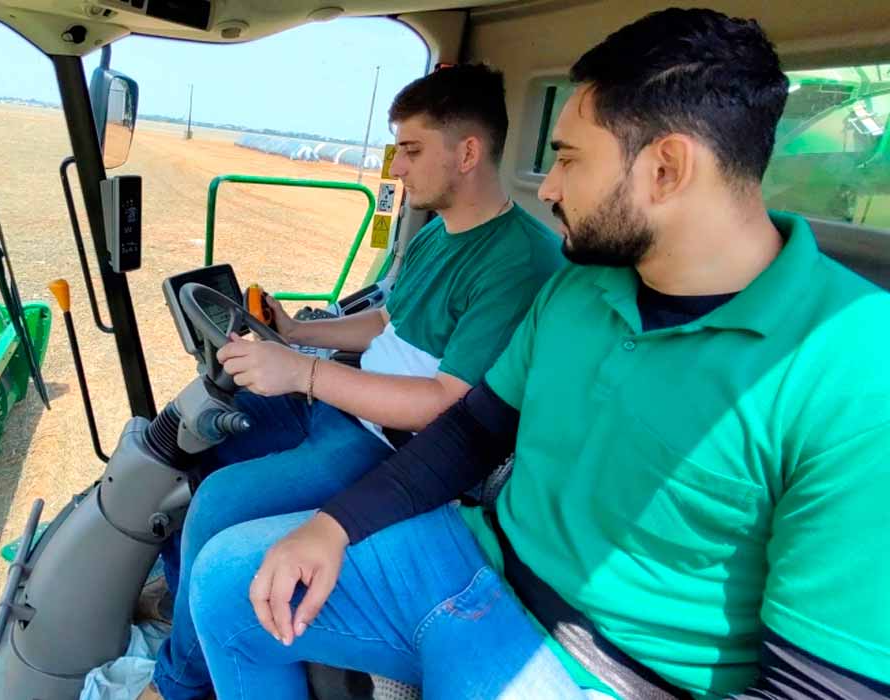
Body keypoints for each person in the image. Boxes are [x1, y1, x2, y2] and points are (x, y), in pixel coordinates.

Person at [188, 8, 890, 699]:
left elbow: (821, 685)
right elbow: (472, 430)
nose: (548, 188)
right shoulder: (580, 290)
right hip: (472, 555)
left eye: (568, 159)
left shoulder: (858, 368)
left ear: (667, 169)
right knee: (227, 582)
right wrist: (334, 525)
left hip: (607, 665)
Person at [150, 64, 565, 700]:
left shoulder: (520, 260)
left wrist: (304, 373)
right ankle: (182, 607)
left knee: (221, 503)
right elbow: (388, 325)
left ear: (468, 153)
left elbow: (446, 409)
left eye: (412, 149)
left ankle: (179, 682)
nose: (396, 168)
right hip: (344, 402)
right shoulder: (436, 236)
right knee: (199, 440)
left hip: (390, 445)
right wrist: (295, 332)